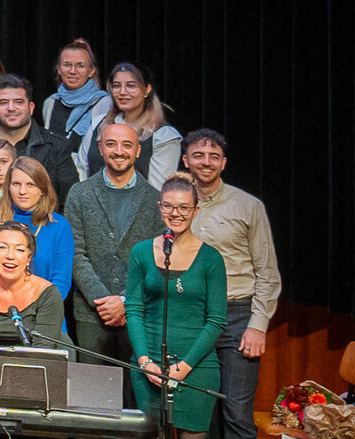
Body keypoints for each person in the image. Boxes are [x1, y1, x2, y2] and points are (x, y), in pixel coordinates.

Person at [178, 130, 280, 439]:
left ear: (223, 163)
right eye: (198, 155)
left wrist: (258, 325)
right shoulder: (175, 205)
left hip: (237, 316)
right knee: (198, 411)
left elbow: (267, 272)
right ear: (186, 160)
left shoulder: (248, 206)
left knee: (236, 410)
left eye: (213, 157)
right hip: (192, 316)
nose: (205, 162)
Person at [127, 178, 227, 438]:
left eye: (184, 208)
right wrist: (144, 361)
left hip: (196, 367)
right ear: (160, 207)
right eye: (169, 207)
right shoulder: (141, 252)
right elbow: (134, 310)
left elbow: (216, 320)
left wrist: (184, 366)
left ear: (196, 210)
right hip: (149, 365)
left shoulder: (211, 258)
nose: (176, 214)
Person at [65, 123, 162, 367]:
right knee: (93, 395)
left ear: (138, 151)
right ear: (100, 148)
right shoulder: (79, 193)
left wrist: (126, 302)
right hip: (91, 314)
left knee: (135, 395)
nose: (119, 151)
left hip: (138, 314)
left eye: (127, 145)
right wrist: (104, 301)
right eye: (111, 144)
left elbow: (158, 259)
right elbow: (76, 254)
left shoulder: (156, 199)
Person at [0, 221, 68, 348]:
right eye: (3, 247)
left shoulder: (47, 293)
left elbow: (42, 350)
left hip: (46, 361)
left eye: (19, 250)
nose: (10, 256)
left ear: (29, 258)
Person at [74, 62, 184, 188]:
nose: (122, 92)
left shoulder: (163, 135)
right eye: (116, 86)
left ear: (147, 90)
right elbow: (81, 172)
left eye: (131, 86)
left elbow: (158, 191)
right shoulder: (98, 124)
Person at [0, 158, 74, 290]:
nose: (23, 191)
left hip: (45, 307)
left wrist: (36, 308)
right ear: (8, 187)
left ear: (42, 189)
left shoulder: (59, 226)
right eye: (16, 184)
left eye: (31, 185)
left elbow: (61, 281)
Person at [0, 74, 78, 197]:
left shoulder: (57, 146)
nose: (11, 108)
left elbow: (70, 199)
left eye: (18, 102)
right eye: (4, 102)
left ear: (31, 107)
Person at [40, 39, 105, 141]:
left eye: (80, 65)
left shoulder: (103, 102)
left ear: (91, 71)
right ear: (58, 69)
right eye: (67, 65)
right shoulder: (50, 103)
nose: (73, 71)